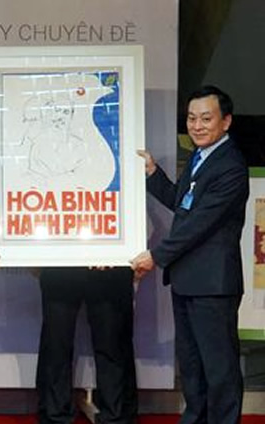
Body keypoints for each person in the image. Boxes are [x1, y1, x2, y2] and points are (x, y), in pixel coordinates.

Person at [131, 85, 248, 424]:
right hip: (187, 280)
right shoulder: (201, 157)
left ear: (226, 122)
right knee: (193, 366)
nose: (197, 126)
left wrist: (155, 256)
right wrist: (153, 174)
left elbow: (199, 223)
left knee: (219, 368)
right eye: (192, 118)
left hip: (213, 285)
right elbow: (182, 204)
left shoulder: (231, 165)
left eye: (206, 119)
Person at [35, 267, 138, 424]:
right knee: (56, 345)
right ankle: (54, 416)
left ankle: (116, 417)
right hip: (60, 265)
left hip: (111, 266)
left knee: (113, 344)